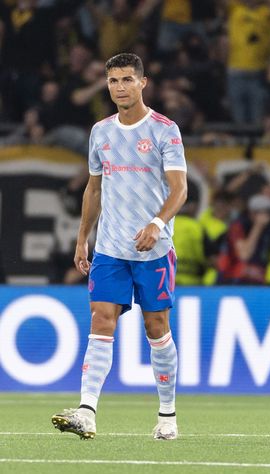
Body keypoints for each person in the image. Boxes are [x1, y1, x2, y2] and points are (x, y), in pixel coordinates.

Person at [51, 53, 187, 440]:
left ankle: (167, 416)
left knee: (157, 328)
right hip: (110, 248)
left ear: (143, 83)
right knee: (100, 321)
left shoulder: (165, 130)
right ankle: (86, 412)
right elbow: (93, 188)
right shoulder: (101, 131)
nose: (120, 87)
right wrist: (82, 238)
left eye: (127, 80)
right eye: (113, 81)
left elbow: (180, 189)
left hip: (153, 250)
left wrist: (157, 224)